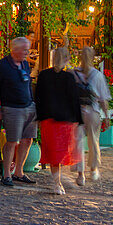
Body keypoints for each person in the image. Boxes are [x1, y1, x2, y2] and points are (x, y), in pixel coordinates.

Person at [0, 36, 37, 187]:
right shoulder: (3, 65)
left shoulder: (24, 64)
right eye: (24, 49)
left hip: (28, 106)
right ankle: (6, 174)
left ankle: (19, 172)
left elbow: (28, 83)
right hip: (12, 108)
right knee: (12, 141)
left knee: (28, 139)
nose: (27, 52)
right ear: (15, 49)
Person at [35, 47, 84, 195]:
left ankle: (57, 183)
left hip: (48, 119)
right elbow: (75, 100)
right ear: (67, 59)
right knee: (64, 151)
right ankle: (70, 179)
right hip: (64, 120)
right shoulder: (69, 77)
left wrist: (38, 117)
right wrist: (79, 120)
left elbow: (38, 97)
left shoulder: (43, 75)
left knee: (54, 154)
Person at [74, 46, 110, 183]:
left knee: (77, 142)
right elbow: (103, 98)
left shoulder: (73, 73)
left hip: (77, 110)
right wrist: (106, 116)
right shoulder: (98, 75)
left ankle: (80, 174)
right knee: (93, 140)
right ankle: (94, 169)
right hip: (92, 110)